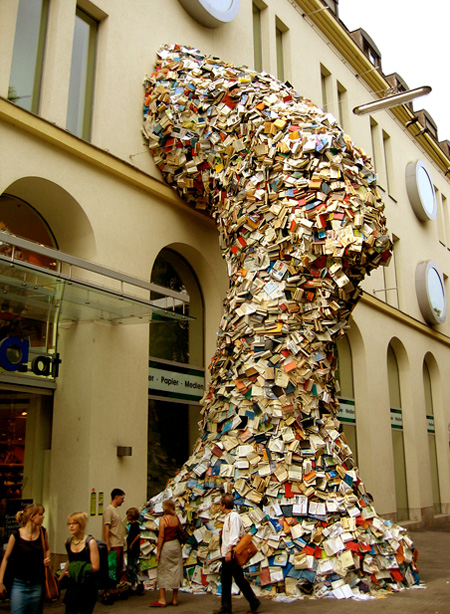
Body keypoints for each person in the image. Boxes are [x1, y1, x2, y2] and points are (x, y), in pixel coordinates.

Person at [0, 503, 50, 614]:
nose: (43, 517)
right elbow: (6, 559)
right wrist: (0, 581)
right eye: (41, 514)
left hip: (37, 583)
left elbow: (47, 549)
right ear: (32, 517)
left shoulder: (43, 532)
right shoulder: (16, 536)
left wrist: (47, 558)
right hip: (19, 584)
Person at [215, 494, 260, 614]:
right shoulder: (230, 516)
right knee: (229, 580)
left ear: (224, 505)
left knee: (237, 580)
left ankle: (252, 602)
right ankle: (227, 607)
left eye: (220, 504)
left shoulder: (233, 517)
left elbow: (234, 536)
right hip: (227, 553)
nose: (219, 506)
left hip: (232, 554)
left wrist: (229, 551)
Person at [62, 512, 100, 614]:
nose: (71, 526)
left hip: (88, 586)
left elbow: (95, 566)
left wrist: (76, 570)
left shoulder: (90, 542)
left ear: (81, 525)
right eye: (69, 524)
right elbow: (70, 561)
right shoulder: (68, 542)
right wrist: (64, 574)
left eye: (74, 523)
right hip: (73, 586)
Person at [150, 499, 183, 607]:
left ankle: (162, 599)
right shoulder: (176, 519)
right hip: (176, 545)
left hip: (167, 545)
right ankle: (174, 599)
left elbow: (161, 536)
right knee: (176, 569)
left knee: (163, 570)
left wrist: (158, 552)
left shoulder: (163, 520)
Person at [103, 488, 125, 601]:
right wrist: (107, 543)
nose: (123, 501)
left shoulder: (115, 510)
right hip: (113, 544)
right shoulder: (109, 510)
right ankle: (108, 590)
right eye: (122, 498)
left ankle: (114, 589)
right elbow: (106, 527)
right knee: (112, 568)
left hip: (119, 543)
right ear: (116, 497)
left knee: (118, 569)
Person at [125, 507, 142, 592]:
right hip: (131, 549)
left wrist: (131, 544)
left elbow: (138, 535)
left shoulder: (135, 525)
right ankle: (132, 583)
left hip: (133, 549)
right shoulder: (131, 525)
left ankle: (136, 582)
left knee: (131, 566)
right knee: (130, 566)